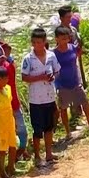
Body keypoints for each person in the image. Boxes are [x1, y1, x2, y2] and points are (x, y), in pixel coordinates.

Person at [22, 28, 61, 167]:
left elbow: (57, 71)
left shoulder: (51, 56)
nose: (36, 45)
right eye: (34, 42)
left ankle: (49, 153)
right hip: (35, 99)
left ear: (44, 42)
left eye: (39, 42)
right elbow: (24, 77)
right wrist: (41, 77)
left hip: (49, 96)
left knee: (49, 127)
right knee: (37, 130)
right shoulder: (28, 59)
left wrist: (52, 77)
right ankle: (38, 156)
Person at [0, 43, 28, 161]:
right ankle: (5, 164)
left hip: (13, 104)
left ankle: (20, 153)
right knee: (3, 139)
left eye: (3, 58)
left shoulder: (9, 66)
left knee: (22, 131)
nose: (2, 61)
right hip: (0, 112)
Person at [53, 26, 89, 134]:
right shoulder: (53, 54)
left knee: (85, 103)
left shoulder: (72, 48)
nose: (65, 41)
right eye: (62, 38)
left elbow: (79, 53)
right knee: (63, 108)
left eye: (67, 38)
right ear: (56, 39)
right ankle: (68, 133)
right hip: (62, 85)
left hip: (75, 82)